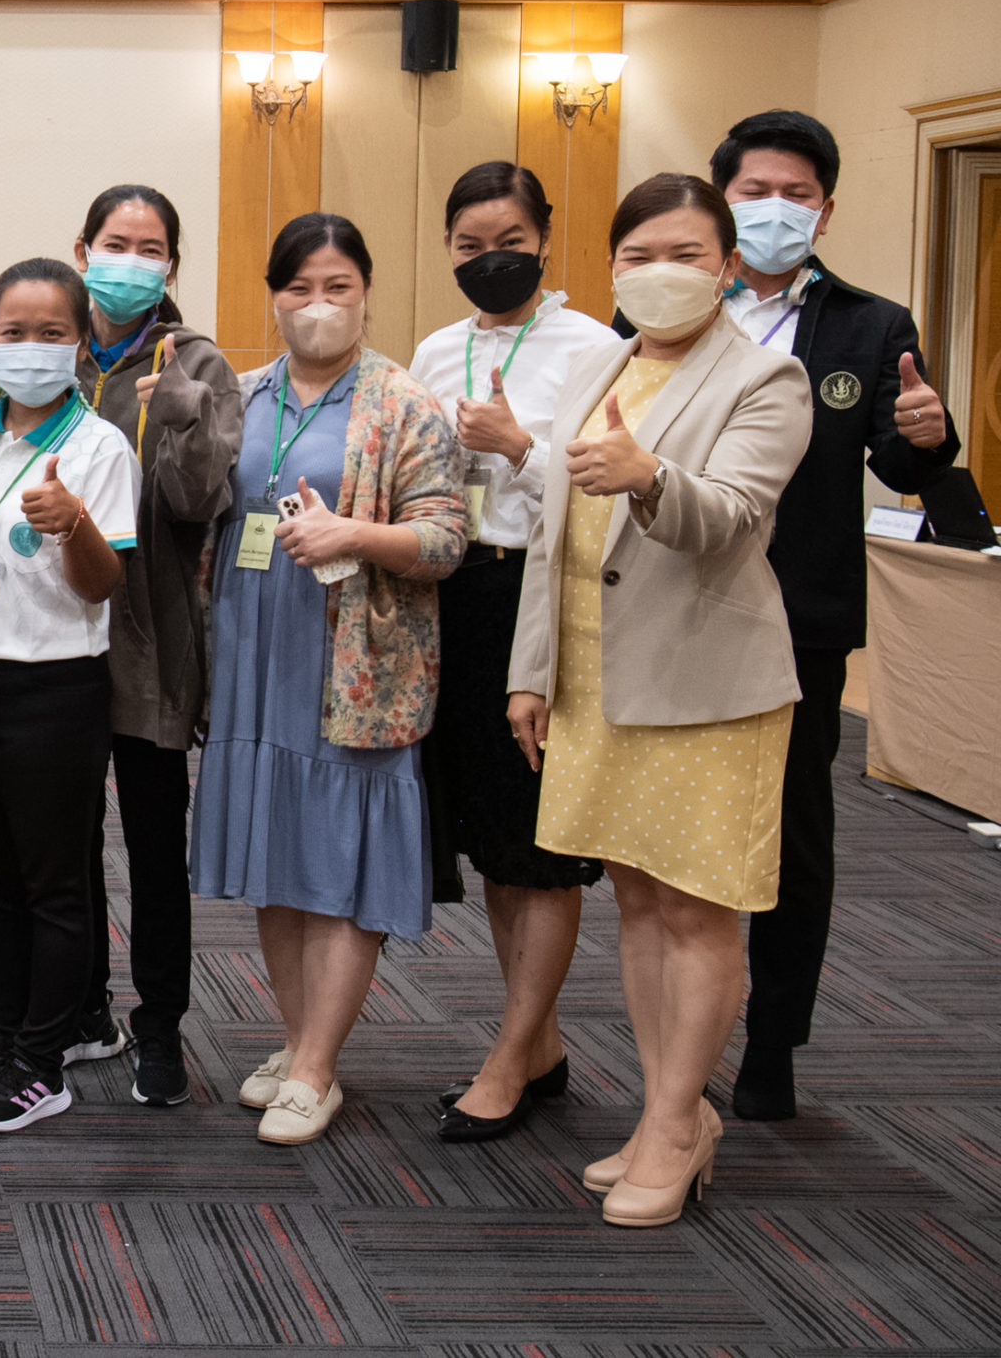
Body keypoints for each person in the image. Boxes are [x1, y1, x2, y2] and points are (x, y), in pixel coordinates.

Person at [507, 171, 810, 1226]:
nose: (660, 273)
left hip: (705, 684)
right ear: (610, 269)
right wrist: (531, 670)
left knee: (695, 909)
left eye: (685, 254)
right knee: (636, 902)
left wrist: (645, 474)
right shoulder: (600, 362)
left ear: (727, 266)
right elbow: (551, 530)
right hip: (595, 678)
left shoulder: (766, 379)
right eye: (637, 255)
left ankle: (680, 1124)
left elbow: (728, 517)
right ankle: (662, 1110)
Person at [191, 213, 466, 1146]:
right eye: (300, 287)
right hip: (253, 652)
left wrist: (355, 533)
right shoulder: (243, 394)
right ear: (273, 296)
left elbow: (447, 537)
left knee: (339, 863)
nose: (318, 305)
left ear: (366, 293)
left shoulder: (403, 402)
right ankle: (299, 1036)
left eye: (337, 286)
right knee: (277, 857)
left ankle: (318, 1067)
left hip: (354, 665)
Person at [708, 111, 959, 1122]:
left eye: (797, 194)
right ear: (721, 197)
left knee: (792, 832)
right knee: (673, 831)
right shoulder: (672, 306)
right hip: (681, 606)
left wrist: (927, 436)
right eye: (755, 191)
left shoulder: (869, 323)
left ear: (825, 209)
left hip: (799, 615)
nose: (775, 209)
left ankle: (772, 1043)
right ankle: (681, 1028)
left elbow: (901, 462)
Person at [406, 163, 620, 1142]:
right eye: (469, 246)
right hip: (454, 599)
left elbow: (607, 497)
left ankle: (508, 1056)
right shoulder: (436, 348)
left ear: (544, 238)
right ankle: (538, 1044)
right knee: (494, 838)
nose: (490, 260)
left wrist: (517, 445)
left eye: (509, 242)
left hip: (542, 597)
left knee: (540, 845)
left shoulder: (594, 348)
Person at [0, 259, 140, 1134]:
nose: (29, 348)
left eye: (51, 332)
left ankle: (44, 1062)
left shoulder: (99, 447)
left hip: (54, 685)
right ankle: (7, 1035)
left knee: (52, 884)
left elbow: (102, 585)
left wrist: (74, 521)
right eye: (12, 332)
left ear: (80, 343)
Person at [68, 185, 243, 1105]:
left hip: (150, 639)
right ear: (82, 248)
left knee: (151, 840)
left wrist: (180, 413)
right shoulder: (53, 352)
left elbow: (195, 502)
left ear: (173, 262)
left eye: (150, 249)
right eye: (115, 242)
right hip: (57, 636)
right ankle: (84, 1007)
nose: (131, 262)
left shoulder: (197, 360)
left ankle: (161, 1024)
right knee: (64, 838)